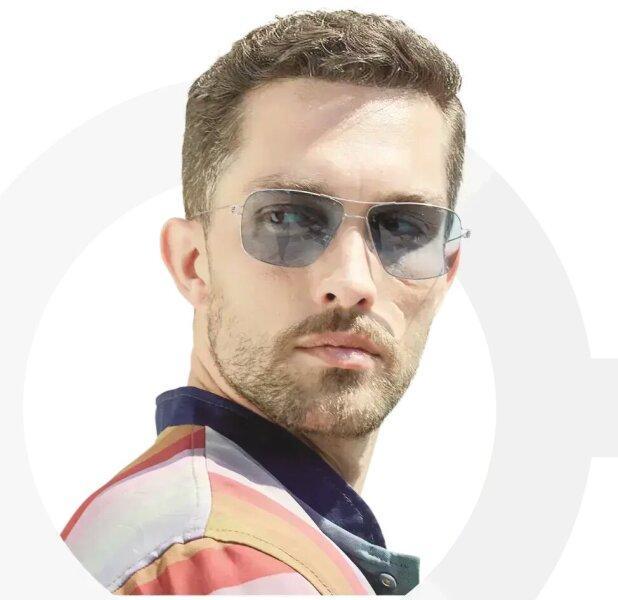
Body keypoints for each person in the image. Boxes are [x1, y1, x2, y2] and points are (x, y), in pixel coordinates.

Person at [61, 8, 469, 595]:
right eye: (288, 219)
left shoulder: (181, 527)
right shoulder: (218, 561)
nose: (353, 280)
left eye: (405, 227)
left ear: (446, 271)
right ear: (192, 261)